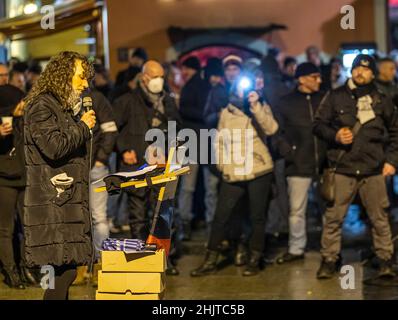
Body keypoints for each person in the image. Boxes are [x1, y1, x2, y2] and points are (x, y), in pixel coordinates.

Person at [313, 54, 398, 279]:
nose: (360, 72)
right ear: (351, 71)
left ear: (372, 73)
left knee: (379, 218)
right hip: (342, 168)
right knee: (333, 219)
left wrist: (391, 161)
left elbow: (395, 132)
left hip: (374, 168)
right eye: (356, 69)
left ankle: (385, 260)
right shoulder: (335, 96)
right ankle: (329, 259)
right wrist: (336, 135)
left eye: (366, 69)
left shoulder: (382, 99)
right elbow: (318, 124)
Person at [23, 51, 96, 299]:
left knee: (65, 270)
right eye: (81, 78)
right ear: (64, 74)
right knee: (59, 275)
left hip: (64, 201)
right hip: (50, 203)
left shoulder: (62, 107)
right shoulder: (42, 106)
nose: (86, 85)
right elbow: (54, 147)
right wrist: (83, 126)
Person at [191, 74, 278, 277]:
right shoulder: (226, 113)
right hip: (234, 171)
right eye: (240, 87)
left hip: (259, 169)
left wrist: (256, 105)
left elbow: (272, 128)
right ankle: (210, 259)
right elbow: (219, 142)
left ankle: (254, 259)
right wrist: (223, 166)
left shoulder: (260, 107)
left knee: (257, 217)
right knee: (221, 216)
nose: (243, 91)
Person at [113, 60, 181, 241]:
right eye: (154, 77)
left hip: (162, 166)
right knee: (138, 216)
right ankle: (141, 255)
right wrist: (123, 149)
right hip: (136, 166)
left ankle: (165, 257)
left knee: (162, 215)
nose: (158, 81)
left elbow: (177, 128)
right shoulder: (127, 101)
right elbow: (113, 129)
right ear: (144, 78)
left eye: (161, 77)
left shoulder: (168, 101)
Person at [273, 62, 326, 264]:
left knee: (328, 209)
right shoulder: (285, 102)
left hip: (323, 163)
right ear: (302, 79)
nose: (319, 80)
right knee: (297, 210)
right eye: (314, 76)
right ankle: (296, 248)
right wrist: (288, 151)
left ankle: (329, 248)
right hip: (297, 163)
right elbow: (277, 133)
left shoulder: (324, 99)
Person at [177, 56, 212, 239]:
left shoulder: (193, 86)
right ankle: (205, 221)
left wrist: (181, 110)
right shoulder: (204, 85)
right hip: (203, 140)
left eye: (185, 68)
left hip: (193, 141)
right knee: (205, 186)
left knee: (188, 186)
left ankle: (185, 222)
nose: (183, 72)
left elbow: (200, 112)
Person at [0, 85, 28, 289]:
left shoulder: (23, 121)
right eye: (20, 101)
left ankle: (27, 267)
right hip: (4, 180)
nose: (23, 104)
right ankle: (11, 272)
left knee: (28, 227)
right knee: (5, 229)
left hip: (24, 178)